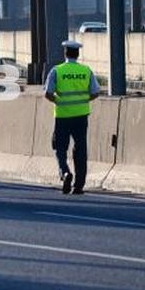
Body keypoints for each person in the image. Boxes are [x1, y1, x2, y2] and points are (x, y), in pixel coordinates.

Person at [44, 40, 101, 195]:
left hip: (62, 116)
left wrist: (58, 101)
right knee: (80, 149)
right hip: (81, 116)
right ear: (78, 54)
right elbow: (95, 92)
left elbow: (48, 93)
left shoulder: (57, 71)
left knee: (60, 148)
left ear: (65, 53)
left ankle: (65, 173)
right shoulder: (86, 70)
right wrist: (83, 100)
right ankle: (79, 186)